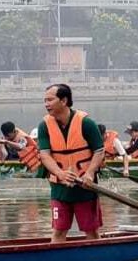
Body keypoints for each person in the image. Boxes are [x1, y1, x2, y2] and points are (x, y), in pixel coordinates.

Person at [36, 83, 107, 242]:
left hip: (85, 186)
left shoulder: (86, 123)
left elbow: (99, 150)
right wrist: (60, 174)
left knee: (91, 232)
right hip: (59, 188)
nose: (46, 104)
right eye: (45, 100)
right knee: (58, 232)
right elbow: (45, 155)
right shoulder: (44, 126)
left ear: (64, 100)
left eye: (50, 100)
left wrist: (89, 173)